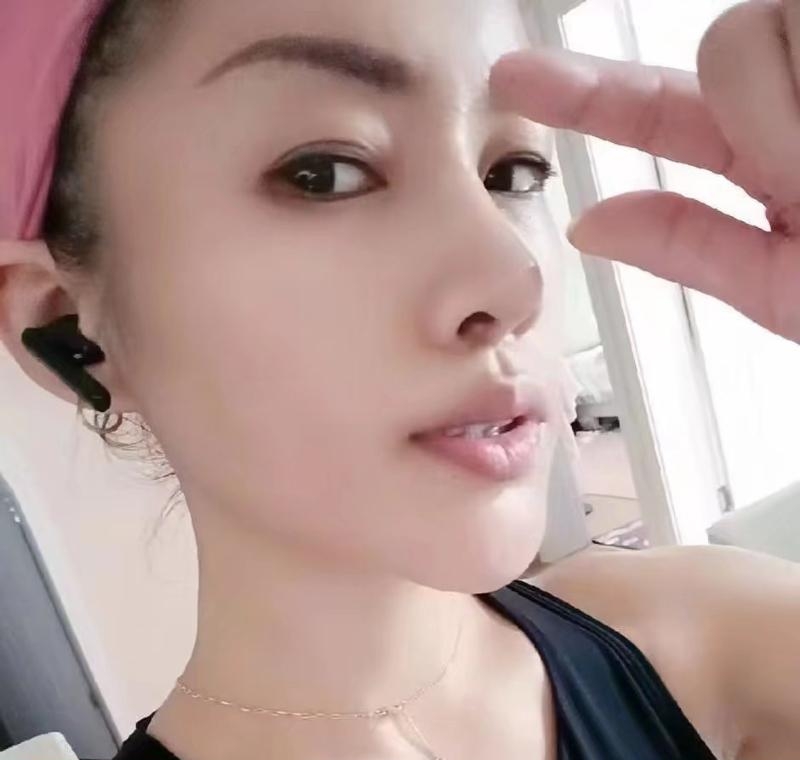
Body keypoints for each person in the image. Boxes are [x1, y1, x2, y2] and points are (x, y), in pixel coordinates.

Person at [0, 0, 798, 758]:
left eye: (513, 173)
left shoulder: (704, 643)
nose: (511, 279)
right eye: (324, 173)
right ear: (70, 327)